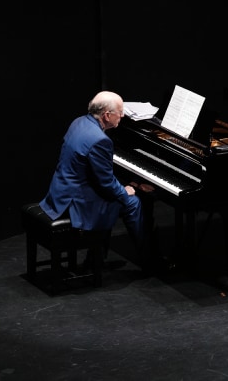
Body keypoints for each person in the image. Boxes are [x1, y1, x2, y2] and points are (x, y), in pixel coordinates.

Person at [39, 90, 157, 272]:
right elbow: (106, 183)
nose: (122, 116)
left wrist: (125, 187)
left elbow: (97, 175)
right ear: (107, 115)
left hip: (61, 192)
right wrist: (125, 190)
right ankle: (150, 263)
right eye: (120, 111)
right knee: (132, 203)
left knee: (118, 195)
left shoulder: (79, 122)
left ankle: (95, 259)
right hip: (76, 203)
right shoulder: (100, 140)